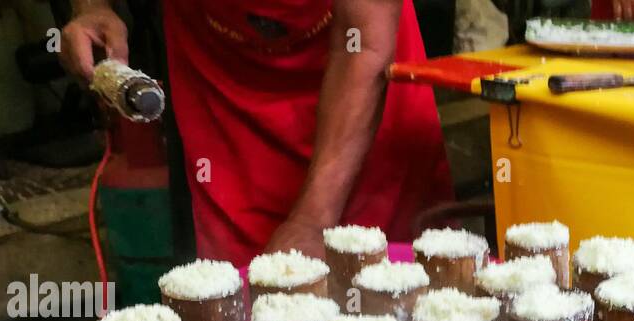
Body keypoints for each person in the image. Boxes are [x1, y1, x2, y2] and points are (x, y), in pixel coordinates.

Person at [60, 1, 454, 264]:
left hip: (357, 75)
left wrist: (312, 220)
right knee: (237, 318)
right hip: (219, 82)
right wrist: (92, 6)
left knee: (379, 300)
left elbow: (363, 44)